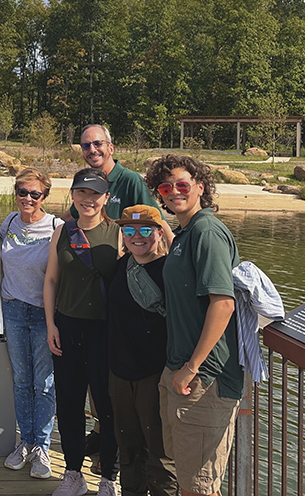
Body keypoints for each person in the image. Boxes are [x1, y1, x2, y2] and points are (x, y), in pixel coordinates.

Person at [66, 123, 170, 469]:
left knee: (128, 379)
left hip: (133, 292)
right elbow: (73, 221)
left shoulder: (129, 181)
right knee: (106, 377)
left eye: (97, 144)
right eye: (85, 145)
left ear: (111, 146)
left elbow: (157, 222)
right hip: (104, 297)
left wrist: (174, 256)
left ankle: (132, 455)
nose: (92, 150)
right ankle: (101, 435)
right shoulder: (86, 185)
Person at [145, 155, 242, 496]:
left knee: (199, 486)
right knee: (187, 474)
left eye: (183, 185)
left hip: (204, 378)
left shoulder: (207, 232)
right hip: (181, 370)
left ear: (201, 187)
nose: (174, 192)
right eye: (165, 187)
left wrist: (192, 367)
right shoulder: (187, 232)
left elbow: (223, 303)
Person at [45, 168, 121, 496]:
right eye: (82, 193)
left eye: (95, 194)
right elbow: (50, 280)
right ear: (73, 195)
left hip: (104, 330)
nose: (88, 200)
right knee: (70, 402)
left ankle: (109, 478)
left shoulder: (119, 234)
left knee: (107, 405)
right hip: (67, 325)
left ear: (106, 198)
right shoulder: (62, 231)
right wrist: (51, 324)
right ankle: (73, 474)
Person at [108, 205, 179, 496]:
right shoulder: (121, 266)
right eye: (129, 230)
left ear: (159, 233)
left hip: (154, 374)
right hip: (119, 373)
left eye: (146, 230)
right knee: (128, 448)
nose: (137, 236)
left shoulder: (170, 270)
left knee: (160, 453)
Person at [0, 168, 60, 480]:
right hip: (12, 309)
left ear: (44, 197)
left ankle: (43, 447)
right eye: (23, 192)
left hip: (42, 314)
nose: (28, 198)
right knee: (22, 381)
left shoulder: (55, 226)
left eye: (35, 194)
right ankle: (26, 441)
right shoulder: (8, 222)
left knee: (44, 383)